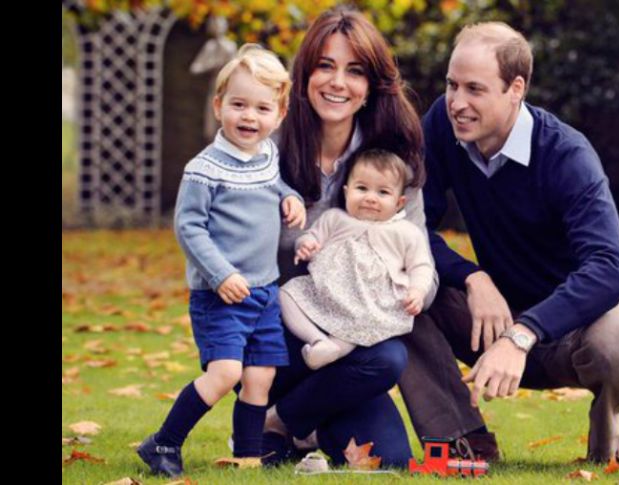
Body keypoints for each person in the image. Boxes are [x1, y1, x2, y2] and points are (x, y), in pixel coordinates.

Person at [398, 22, 619, 465]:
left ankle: (607, 429)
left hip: (576, 332)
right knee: (398, 284)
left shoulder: (567, 156)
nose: (457, 103)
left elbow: (610, 268)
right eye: (452, 85)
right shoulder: (442, 123)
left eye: (475, 89)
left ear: (515, 88)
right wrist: (472, 276)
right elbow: (407, 226)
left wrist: (523, 334)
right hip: (493, 318)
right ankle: (464, 440)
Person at [240, 5, 438, 468]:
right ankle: (294, 415)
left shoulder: (392, 164)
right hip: (278, 331)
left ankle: (282, 422)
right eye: (325, 66)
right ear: (305, 74)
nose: (337, 82)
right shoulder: (265, 144)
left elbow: (418, 256)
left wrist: (412, 291)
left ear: (370, 87)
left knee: (388, 452)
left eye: (354, 71)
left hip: (355, 341)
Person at [136, 44, 306, 477]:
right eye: (239, 105)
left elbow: (276, 185)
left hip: (264, 291)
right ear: (219, 107)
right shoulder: (204, 169)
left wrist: (291, 198)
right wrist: (220, 273)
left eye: (262, 108)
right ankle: (163, 443)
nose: (249, 117)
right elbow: (189, 227)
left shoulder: (267, 156)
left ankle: (247, 456)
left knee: (260, 378)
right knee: (226, 372)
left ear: (280, 114)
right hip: (221, 294)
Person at [281, 149, 435, 370]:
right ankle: (318, 341)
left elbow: (421, 265)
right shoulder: (335, 219)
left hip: (371, 301)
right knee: (286, 294)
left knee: (363, 323)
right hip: (327, 293)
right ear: (346, 192)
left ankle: (335, 347)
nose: (370, 198)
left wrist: (417, 291)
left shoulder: (406, 232)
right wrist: (305, 245)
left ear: (400, 202)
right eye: (362, 188)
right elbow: (311, 237)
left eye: (383, 192)